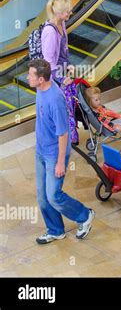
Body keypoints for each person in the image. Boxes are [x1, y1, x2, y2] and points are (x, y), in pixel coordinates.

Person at [27, 59, 94, 244]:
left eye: (30, 75)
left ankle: (85, 215)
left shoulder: (55, 100)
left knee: (54, 195)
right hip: (41, 151)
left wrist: (59, 163)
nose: (27, 77)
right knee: (42, 196)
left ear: (40, 79)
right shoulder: (41, 89)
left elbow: (63, 133)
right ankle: (56, 230)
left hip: (54, 155)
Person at [41, 0, 79, 144]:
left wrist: (68, 65)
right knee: (64, 103)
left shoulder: (61, 24)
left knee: (70, 100)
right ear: (59, 13)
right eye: (67, 12)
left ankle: (70, 134)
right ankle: (66, 136)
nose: (70, 14)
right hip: (52, 75)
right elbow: (49, 62)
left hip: (60, 69)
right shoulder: (50, 32)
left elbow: (63, 51)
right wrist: (62, 79)